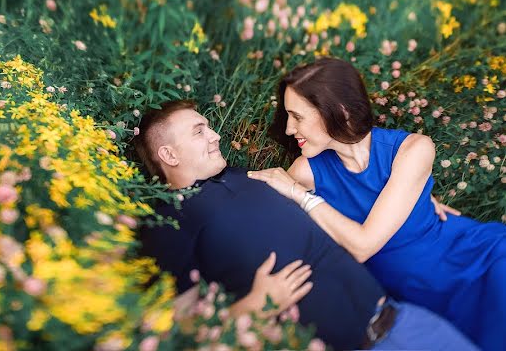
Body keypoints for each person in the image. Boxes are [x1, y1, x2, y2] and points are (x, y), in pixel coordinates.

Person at [134, 100, 477, 350]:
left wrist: (416, 198)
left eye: (209, 126)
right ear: (169, 155)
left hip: (403, 319)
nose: (215, 136)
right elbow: (169, 334)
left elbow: (342, 189)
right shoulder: (168, 222)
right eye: (199, 131)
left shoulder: (251, 176)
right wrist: (254, 306)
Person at [247, 56, 506, 351]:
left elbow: (363, 245)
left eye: (298, 117)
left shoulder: (413, 149)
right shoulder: (305, 172)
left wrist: (299, 194)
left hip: (476, 264)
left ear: (339, 110)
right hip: (413, 301)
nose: (291, 129)